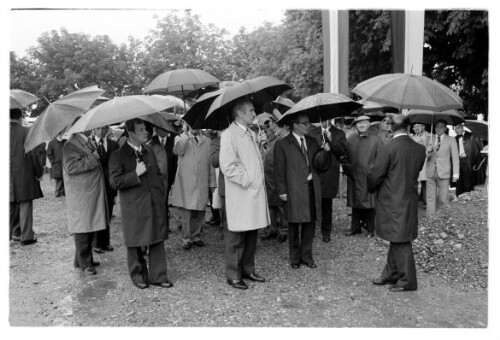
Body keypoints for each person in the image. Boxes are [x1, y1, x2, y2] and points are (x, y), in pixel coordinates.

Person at [109, 118, 172, 289]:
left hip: (153, 200)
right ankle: (138, 275)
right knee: (135, 240)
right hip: (134, 204)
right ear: (130, 133)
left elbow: (158, 173)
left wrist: (159, 193)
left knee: (157, 237)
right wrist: (135, 174)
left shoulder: (149, 149)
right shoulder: (118, 155)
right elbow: (114, 182)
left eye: (146, 129)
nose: (146, 132)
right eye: (141, 129)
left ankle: (159, 276)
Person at [367, 115, 426, 292]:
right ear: (408, 127)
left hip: (392, 199)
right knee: (398, 236)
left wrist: (371, 187)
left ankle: (408, 281)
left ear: (391, 128)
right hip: (409, 197)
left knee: (401, 240)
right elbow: (415, 169)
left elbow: (375, 174)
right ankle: (390, 274)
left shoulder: (389, 147)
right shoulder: (420, 149)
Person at [220, 99, 270, 290]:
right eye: (250, 110)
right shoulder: (229, 135)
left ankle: (248, 269)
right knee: (236, 235)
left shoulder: (251, 133)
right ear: (239, 114)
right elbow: (228, 166)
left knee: (251, 232)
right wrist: (248, 179)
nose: (253, 113)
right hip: (241, 193)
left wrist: (261, 148)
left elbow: (252, 160)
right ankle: (233, 274)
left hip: (253, 193)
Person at [275, 113, 322, 269]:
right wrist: (281, 190)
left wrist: (326, 152)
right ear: (295, 125)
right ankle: (294, 258)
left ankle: (307, 256)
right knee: (294, 225)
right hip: (293, 189)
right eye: (305, 123)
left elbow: (321, 165)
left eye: (309, 123)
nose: (309, 126)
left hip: (311, 187)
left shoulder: (313, 142)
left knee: (310, 224)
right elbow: (279, 170)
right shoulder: (282, 144)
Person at [63, 126, 107, 275]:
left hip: (88, 191)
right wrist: (93, 157)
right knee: (82, 228)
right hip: (81, 193)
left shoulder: (85, 141)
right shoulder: (71, 144)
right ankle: (85, 263)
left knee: (88, 225)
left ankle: (80, 260)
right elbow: (70, 167)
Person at [171, 124, 211, 250]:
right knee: (186, 211)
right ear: (187, 125)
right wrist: (186, 135)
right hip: (186, 180)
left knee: (200, 209)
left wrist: (212, 183)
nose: (195, 127)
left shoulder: (207, 141)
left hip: (202, 179)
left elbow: (209, 163)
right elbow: (177, 151)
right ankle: (186, 238)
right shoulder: (180, 138)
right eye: (192, 124)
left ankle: (196, 235)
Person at [307, 119, 347, 242]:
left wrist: (331, 143)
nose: (323, 121)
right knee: (312, 202)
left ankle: (326, 231)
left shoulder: (339, 133)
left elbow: (343, 151)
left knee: (326, 203)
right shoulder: (312, 132)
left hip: (329, 172)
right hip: (315, 172)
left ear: (330, 119)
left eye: (325, 118)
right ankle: (310, 230)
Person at [344, 115, 383, 238]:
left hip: (369, 177)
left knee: (370, 205)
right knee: (356, 204)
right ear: (356, 125)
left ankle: (371, 229)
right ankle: (355, 228)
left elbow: (380, 159)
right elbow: (345, 157)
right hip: (354, 175)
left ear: (368, 124)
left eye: (364, 123)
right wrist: (348, 169)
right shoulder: (350, 139)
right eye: (359, 123)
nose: (361, 125)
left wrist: (374, 173)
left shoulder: (376, 140)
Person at [10, 108, 43, 245]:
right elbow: (34, 155)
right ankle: (27, 236)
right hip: (24, 175)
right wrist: (38, 173)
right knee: (25, 204)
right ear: (20, 116)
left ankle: (13, 233)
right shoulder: (26, 132)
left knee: (10, 205)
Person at [257, 114, 288, 243]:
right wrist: (262, 144)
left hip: (279, 174)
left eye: (269, 123)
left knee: (281, 204)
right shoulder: (265, 137)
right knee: (269, 204)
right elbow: (263, 155)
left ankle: (284, 230)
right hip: (267, 175)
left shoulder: (284, 136)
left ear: (275, 122)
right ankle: (272, 228)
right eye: (264, 125)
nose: (267, 126)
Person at [91, 125, 119, 253]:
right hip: (95, 183)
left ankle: (105, 242)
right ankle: (96, 242)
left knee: (108, 212)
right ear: (94, 129)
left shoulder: (114, 144)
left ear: (108, 129)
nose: (101, 131)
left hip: (110, 184)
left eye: (104, 128)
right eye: (98, 128)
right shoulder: (89, 144)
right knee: (97, 212)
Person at [425, 120, 460, 217]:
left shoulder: (451, 139)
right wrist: (427, 151)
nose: (438, 129)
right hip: (430, 171)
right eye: (437, 127)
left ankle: (443, 219)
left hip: (444, 172)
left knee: (443, 197)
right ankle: (430, 218)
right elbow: (423, 156)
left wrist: (456, 174)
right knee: (430, 197)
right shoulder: (429, 138)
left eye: (441, 127)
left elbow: (455, 157)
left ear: (445, 128)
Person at [147, 126, 170, 232]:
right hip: (151, 181)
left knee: (161, 204)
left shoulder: (157, 146)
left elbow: (163, 167)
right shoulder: (150, 144)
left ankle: (161, 227)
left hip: (162, 179)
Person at [453, 123, 483, 197]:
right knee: (459, 182)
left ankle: (468, 198)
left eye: (458, 128)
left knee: (468, 181)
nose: (456, 130)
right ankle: (459, 198)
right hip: (458, 162)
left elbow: (477, 149)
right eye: (455, 129)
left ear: (462, 127)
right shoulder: (454, 138)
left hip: (468, 161)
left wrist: (476, 163)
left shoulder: (471, 136)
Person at [411, 123, 431, 206]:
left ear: (423, 126)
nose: (416, 128)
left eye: (418, 126)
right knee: (414, 180)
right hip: (414, 160)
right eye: (414, 126)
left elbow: (430, 148)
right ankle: (415, 199)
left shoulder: (428, 135)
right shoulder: (412, 136)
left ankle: (425, 200)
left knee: (425, 181)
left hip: (425, 160)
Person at [47, 133, 66, 197]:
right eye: (61, 133)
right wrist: (53, 162)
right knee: (58, 179)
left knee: (64, 178)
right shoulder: (52, 143)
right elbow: (49, 154)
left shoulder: (65, 142)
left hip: (65, 163)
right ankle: (57, 191)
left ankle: (63, 191)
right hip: (57, 164)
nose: (62, 134)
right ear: (58, 134)